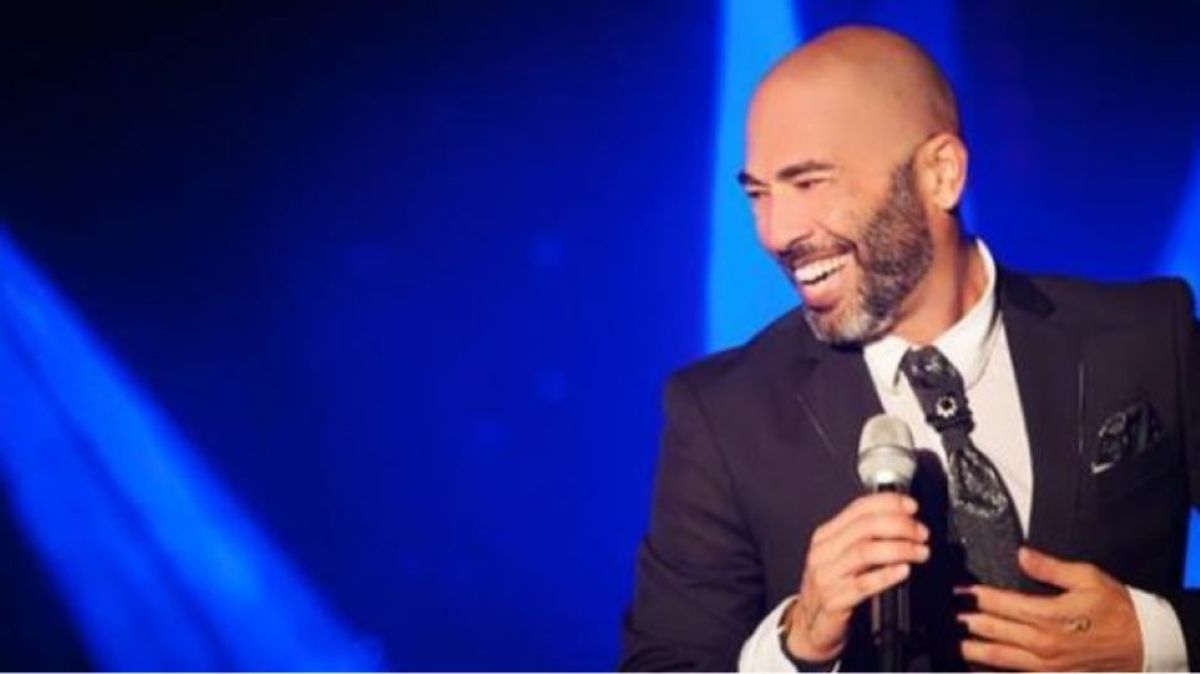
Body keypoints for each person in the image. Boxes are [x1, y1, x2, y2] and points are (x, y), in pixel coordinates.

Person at [619, 24, 1200, 671]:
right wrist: (797, 642)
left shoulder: (1147, 336)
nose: (776, 232)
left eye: (809, 183)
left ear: (941, 174)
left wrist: (1159, 639)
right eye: (758, 193)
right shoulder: (724, 415)